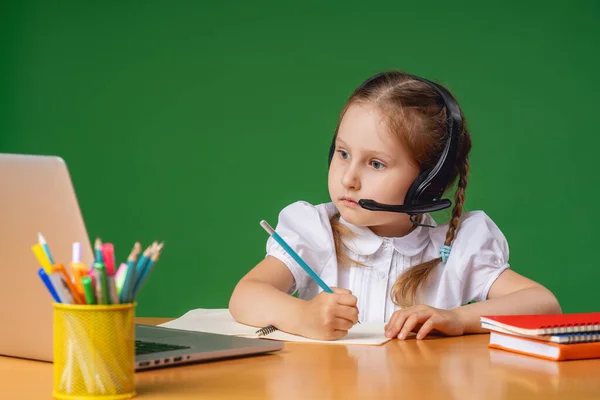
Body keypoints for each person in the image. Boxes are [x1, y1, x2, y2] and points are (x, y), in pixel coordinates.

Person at [229, 71, 561, 341]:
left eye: (375, 163)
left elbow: (544, 305)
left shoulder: (456, 248)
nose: (349, 179)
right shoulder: (315, 231)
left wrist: (457, 318)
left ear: (427, 182)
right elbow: (245, 296)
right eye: (343, 154)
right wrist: (302, 316)